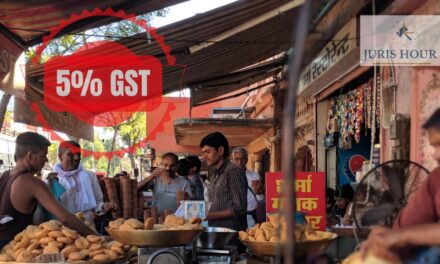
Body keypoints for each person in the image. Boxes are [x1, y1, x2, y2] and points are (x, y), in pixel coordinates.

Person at [361, 108, 440, 261]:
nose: (436, 154)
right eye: (434, 146)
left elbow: (402, 234)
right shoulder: (436, 179)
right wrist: (384, 239)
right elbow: (406, 225)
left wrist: (404, 236)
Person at [0, 132, 97, 249]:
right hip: (14, 249)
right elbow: (65, 217)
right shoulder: (32, 183)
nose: (46, 160)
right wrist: (96, 236)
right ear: (30, 156)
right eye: (43, 155)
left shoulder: (5, 176)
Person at [52, 141, 116, 226]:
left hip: (88, 228)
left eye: (78, 154)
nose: (76, 158)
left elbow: (97, 205)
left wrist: (104, 206)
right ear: (60, 157)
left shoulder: (89, 176)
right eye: (70, 154)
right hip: (63, 231)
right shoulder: (53, 180)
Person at [200, 132, 248, 232]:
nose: (204, 156)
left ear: (220, 150)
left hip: (231, 235)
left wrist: (208, 215)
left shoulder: (233, 171)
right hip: (217, 232)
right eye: (203, 152)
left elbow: (239, 208)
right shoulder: (215, 174)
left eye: (207, 152)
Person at [231, 147, 262, 228]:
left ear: (247, 160)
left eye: (242, 159)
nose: (240, 161)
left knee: (251, 238)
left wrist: (259, 192)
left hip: (251, 213)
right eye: (237, 159)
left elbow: (260, 199)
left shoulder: (254, 175)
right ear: (232, 160)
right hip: (234, 216)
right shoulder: (228, 177)